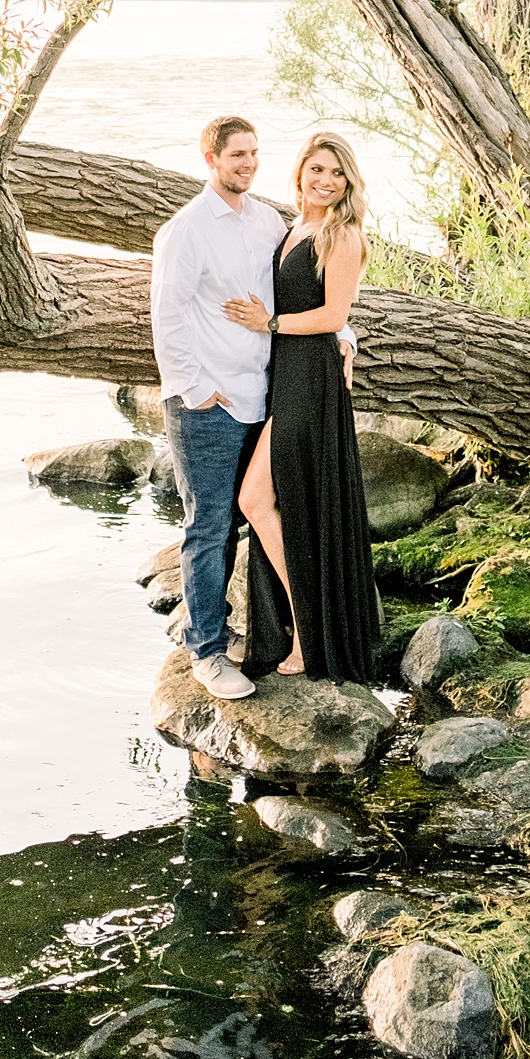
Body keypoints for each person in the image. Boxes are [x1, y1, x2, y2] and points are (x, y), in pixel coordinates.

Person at [149, 116, 356, 702]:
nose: (247, 163)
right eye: (237, 154)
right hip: (210, 402)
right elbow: (166, 315)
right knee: (209, 528)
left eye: (254, 154)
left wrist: (346, 335)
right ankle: (207, 654)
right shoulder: (185, 231)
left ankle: (274, 631)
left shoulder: (269, 221)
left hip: (266, 394)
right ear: (210, 158)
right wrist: (193, 390)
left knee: (256, 514)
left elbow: (309, 294)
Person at [225, 131, 380, 684]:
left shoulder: (343, 236)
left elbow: (332, 313)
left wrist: (268, 323)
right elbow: (329, 313)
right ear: (300, 173)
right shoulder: (294, 227)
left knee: (255, 498)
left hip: (310, 378)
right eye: (316, 169)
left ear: (348, 181)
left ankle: (309, 634)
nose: (325, 181)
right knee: (285, 503)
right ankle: (301, 625)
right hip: (284, 377)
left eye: (336, 173)